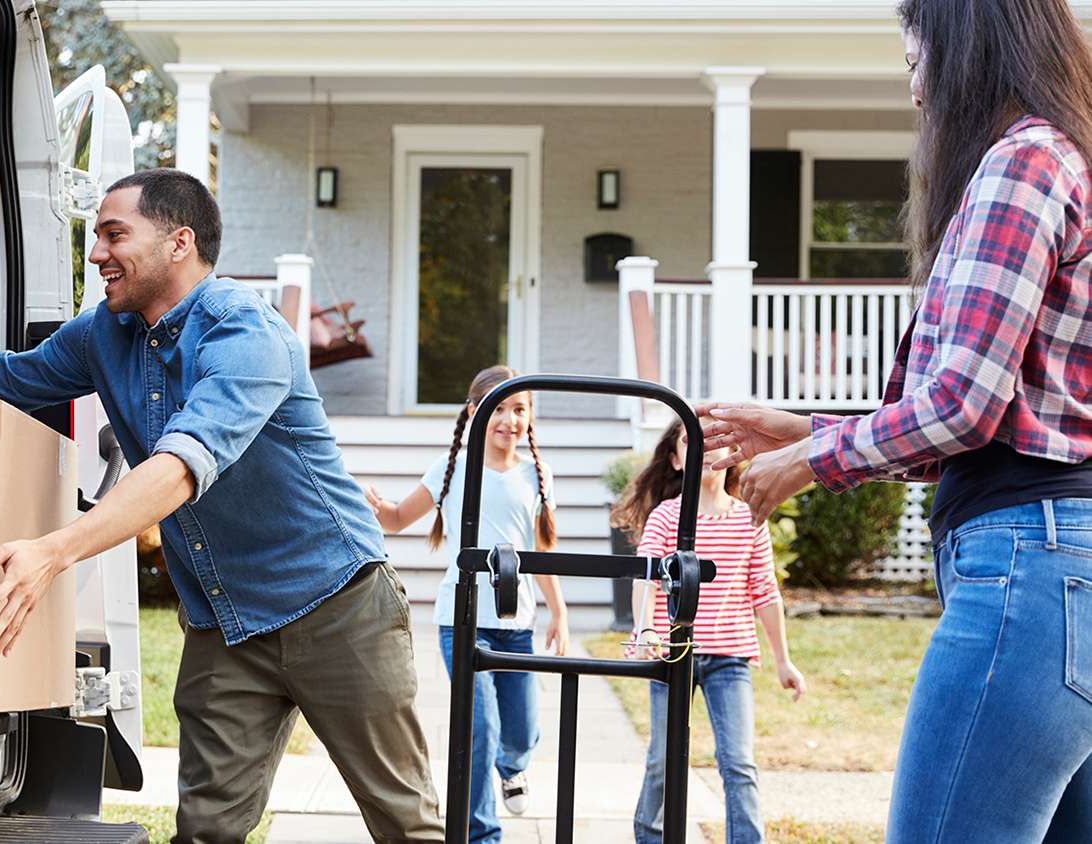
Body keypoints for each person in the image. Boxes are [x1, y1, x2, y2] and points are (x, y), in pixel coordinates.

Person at [0, 168, 444, 843]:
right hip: (225, 624)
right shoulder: (102, 336)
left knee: (406, 823)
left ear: (179, 243)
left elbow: (179, 468)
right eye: (95, 236)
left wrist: (53, 551)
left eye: (114, 234)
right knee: (204, 831)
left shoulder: (246, 332)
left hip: (337, 606)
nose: (96, 252)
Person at [694, 1, 1092, 839]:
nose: (916, 96)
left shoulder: (1021, 165)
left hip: (1029, 570)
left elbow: (963, 407)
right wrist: (807, 427)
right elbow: (998, 411)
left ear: (965, 53)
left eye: (917, 65)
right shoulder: (1069, 158)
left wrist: (809, 464)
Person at [363, 365, 569, 844]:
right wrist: (375, 505)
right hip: (462, 619)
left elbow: (542, 548)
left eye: (519, 409)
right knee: (481, 727)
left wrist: (558, 610)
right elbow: (396, 519)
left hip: (517, 623)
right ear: (474, 412)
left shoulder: (537, 473)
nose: (509, 419)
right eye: (498, 408)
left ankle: (513, 769)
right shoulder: (450, 468)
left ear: (531, 417)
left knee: (521, 733)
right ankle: (482, 834)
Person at [611, 420, 804, 844]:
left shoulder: (749, 518)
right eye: (692, 441)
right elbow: (645, 578)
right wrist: (643, 631)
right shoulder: (665, 517)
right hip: (671, 653)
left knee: (738, 762)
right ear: (677, 460)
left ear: (733, 454)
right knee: (663, 757)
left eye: (717, 440)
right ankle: (650, 836)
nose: (706, 449)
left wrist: (783, 661)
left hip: (729, 658)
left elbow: (765, 591)